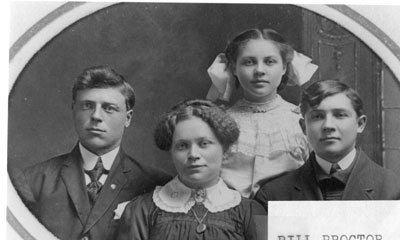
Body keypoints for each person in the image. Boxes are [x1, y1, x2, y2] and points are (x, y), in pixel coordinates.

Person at [9, 66, 171, 240]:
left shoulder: (157, 186)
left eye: (109, 108)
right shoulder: (33, 181)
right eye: (87, 106)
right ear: (74, 110)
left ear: (128, 118)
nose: (96, 116)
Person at [115, 99, 267, 240]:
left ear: (225, 151)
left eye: (204, 143)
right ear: (171, 152)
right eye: (182, 146)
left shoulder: (251, 212)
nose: (193, 154)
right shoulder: (142, 210)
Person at [206, 28, 318, 198]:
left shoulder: (300, 121)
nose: (259, 70)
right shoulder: (219, 122)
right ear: (234, 68)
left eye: (270, 61)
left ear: (284, 68)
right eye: (249, 62)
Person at [254, 79, 400, 208]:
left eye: (340, 115)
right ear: (303, 127)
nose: (328, 125)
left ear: (360, 124)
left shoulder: (393, 191)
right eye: (317, 116)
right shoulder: (273, 196)